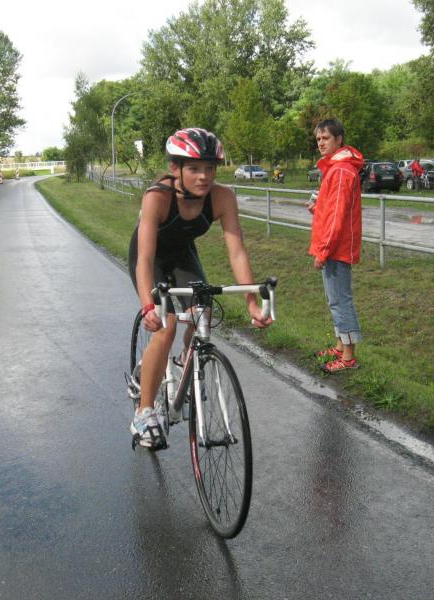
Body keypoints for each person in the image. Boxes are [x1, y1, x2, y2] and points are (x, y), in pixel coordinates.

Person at [128, 127, 273, 448]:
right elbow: (144, 258)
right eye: (194, 168)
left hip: (182, 255)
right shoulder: (157, 197)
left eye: (210, 167)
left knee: (203, 311)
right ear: (175, 168)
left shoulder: (222, 197)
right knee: (165, 326)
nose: (204, 176)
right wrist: (148, 306)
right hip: (149, 257)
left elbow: (237, 252)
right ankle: (144, 412)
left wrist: (251, 302)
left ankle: (184, 362)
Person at [306, 118, 363, 372]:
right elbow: (331, 208)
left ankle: (348, 358)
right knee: (334, 300)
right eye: (318, 139)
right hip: (332, 246)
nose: (321, 143)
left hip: (337, 248)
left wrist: (323, 251)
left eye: (326, 138)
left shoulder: (341, 171)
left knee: (340, 301)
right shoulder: (335, 168)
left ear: (339, 139)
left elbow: (337, 218)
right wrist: (317, 208)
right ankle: (340, 346)